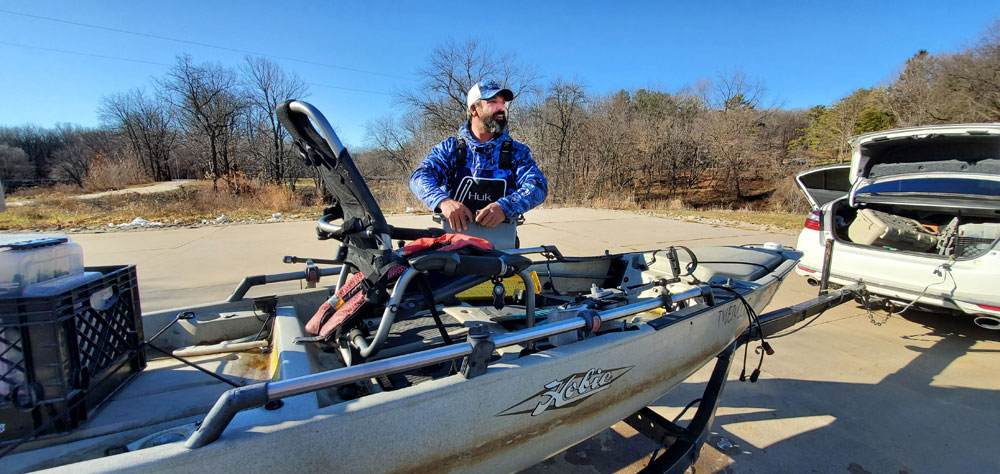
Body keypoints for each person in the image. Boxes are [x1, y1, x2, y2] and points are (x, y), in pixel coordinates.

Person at [409, 80, 547, 233]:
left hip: (502, 245)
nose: (501, 108)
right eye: (493, 102)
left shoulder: (516, 152)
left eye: (503, 103)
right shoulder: (450, 149)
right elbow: (419, 177)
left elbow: (538, 185)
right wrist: (443, 201)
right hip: (456, 247)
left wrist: (505, 207)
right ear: (474, 109)